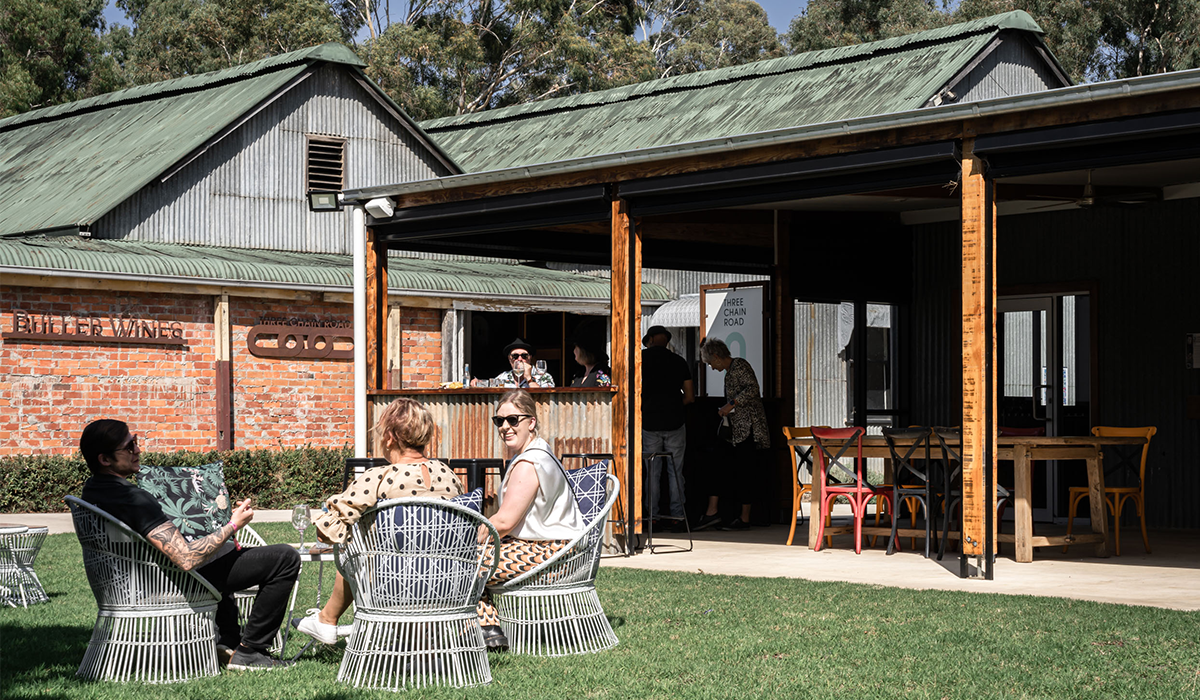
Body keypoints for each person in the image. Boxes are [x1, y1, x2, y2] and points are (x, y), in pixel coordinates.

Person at [79, 419, 301, 671]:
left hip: (132, 580)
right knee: (284, 557)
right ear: (105, 460)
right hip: (165, 581)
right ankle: (251, 651)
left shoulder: (93, 490)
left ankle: (227, 640)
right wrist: (233, 525)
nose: (138, 450)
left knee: (223, 553)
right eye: (129, 447)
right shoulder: (132, 499)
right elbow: (186, 559)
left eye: (136, 442)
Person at [294, 398, 464, 645]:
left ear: (390, 437)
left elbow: (327, 532)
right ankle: (420, 636)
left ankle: (327, 619)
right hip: (447, 582)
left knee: (356, 549)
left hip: (392, 583)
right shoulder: (449, 475)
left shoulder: (380, 476)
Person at [476, 389, 584, 650]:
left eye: (513, 420)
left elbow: (504, 522)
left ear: (531, 422)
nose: (505, 427)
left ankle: (483, 630)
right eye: (499, 421)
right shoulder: (541, 450)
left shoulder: (529, 462)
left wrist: (470, 537)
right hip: (562, 549)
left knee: (462, 564)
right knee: (469, 560)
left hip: (552, 555)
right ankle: (488, 630)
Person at [694, 337, 770, 531]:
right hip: (735, 431)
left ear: (717, 357)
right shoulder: (730, 371)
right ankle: (714, 512)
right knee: (721, 465)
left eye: (711, 363)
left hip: (748, 429)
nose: (711, 367)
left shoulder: (740, 366)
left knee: (746, 471)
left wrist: (732, 404)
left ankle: (743, 518)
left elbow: (753, 389)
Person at [640, 325, 693, 526]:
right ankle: (678, 518)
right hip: (675, 422)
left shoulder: (641, 360)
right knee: (675, 472)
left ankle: (652, 518)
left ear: (651, 340)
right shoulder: (679, 361)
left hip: (650, 423)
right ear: (667, 340)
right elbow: (689, 397)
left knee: (652, 473)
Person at [473, 338, 555, 388]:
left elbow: (545, 397)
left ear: (530, 358)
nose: (519, 359)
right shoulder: (503, 376)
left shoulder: (544, 377)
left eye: (524, 356)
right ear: (510, 359)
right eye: (515, 356)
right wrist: (477, 382)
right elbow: (490, 386)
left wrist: (529, 379)